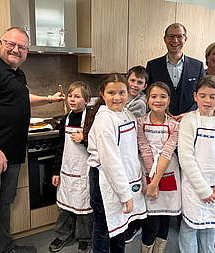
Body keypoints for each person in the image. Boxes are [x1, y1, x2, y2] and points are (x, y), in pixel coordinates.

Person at [0, 27, 65, 253]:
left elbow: (21, 98)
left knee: (3, 204)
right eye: (11, 44)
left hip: (11, 154)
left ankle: (4, 247)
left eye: (22, 47)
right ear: (1, 43)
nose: (16, 50)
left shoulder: (17, 74)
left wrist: (48, 99)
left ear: (27, 51)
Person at [84, 73, 147, 253]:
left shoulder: (126, 113)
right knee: (104, 228)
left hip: (122, 178)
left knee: (120, 225)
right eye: (111, 93)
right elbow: (110, 160)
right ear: (102, 94)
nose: (117, 97)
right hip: (105, 179)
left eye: (122, 92)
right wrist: (125, 194)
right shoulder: (105, 119)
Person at [178, 76, 215, 253]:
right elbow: (186, 158)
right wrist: (203, 189)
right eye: (203, 95)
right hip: (195, 187)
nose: (207, 100)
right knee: (190, 227)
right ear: (195, 96)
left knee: (210, 227)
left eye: (212, 96)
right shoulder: (190, 121)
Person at [137, 82, 181, 253]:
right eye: (154, 96)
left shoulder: (175, 125)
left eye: (163, 96)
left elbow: (167, 152)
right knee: (152, 223)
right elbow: (145, 149)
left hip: (168, 173)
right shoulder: (140, 122)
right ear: (147, 99)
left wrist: (155, 181)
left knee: (165, 221)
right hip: (147, 175)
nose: (158, 100)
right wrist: (153, 181)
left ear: (169, 100)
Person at [50, 81, 93, 253]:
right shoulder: (65, 119)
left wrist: (84, 139)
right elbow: (61, 147)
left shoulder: (91, 119)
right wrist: (56, 171)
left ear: (87, 100)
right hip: (67, 170)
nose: (72, 100)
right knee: (66, 205)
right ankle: (63, 235)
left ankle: (85, 238)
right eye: (70, 96)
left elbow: (100, 146)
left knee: (84, 205)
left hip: (84, 171)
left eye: (77, 96)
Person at [146, 23, 206, 121]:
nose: (175, 40)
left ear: (185, 39)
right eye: (171, 36)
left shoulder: (197, 66)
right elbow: (147, 94)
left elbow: (203, 94)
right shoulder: (152, 66)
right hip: (160, 121)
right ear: (165, 39)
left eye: (179, 36)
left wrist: (190, 113)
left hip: (190, 120)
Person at [123, 66, 149, 244]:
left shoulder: (139, 103)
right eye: (132, 80)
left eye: (139, 82)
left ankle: (135, 224)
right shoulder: (124, 98)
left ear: (145, 86)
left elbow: (126, 124)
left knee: (134, 188)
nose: (135, 85)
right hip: (124, 150)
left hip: (134, 151)